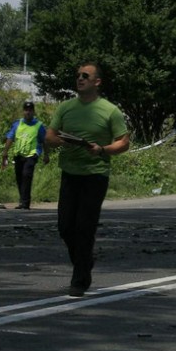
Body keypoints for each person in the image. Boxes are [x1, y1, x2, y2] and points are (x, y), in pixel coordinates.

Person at [46, 62, 130, 296]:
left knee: (84, 227)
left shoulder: (110, 110)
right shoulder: (65, 108)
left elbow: (123, 142)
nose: (80, 79)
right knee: (65, 226)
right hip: (69, 173)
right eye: (78, 76)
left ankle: (80, 280)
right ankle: (84, 261)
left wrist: (102, 149)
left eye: (85, 76)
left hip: (95, 175)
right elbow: (49, 136)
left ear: (97, 82)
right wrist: (60, 141)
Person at [1, 100, 49, 209]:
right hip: (19, 154)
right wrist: (5, 152)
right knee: (19, 177)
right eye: (26, 110)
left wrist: (46, 155)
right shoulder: (18, 124)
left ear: (33, 112)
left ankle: (25, 203)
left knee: (26, 175)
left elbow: (44, 141)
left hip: (32, 155)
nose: (28, 112)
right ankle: (22, 200)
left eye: (30, 110)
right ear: (23, 111)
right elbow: (10, 137)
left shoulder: (39, 125)